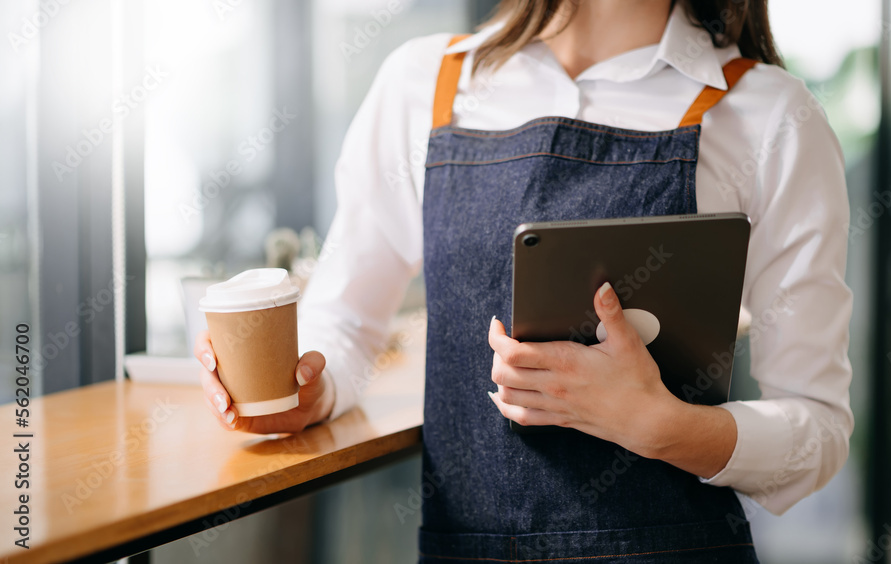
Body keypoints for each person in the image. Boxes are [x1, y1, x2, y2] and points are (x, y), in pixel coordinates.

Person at [196, 0, 854, 561]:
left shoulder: (771, 115)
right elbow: (344, 323)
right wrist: (309, 386)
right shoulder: (425, 84)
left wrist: (663, 427)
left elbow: (817, 428)